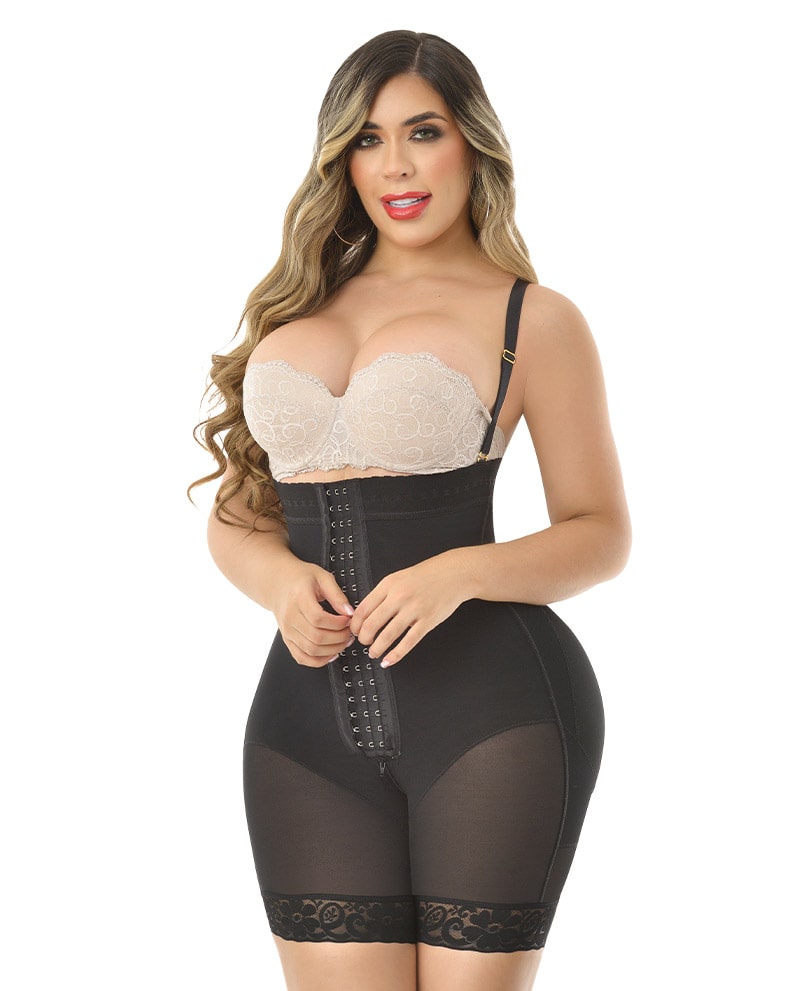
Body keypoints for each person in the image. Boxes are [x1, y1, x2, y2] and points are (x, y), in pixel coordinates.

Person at [191, 29, 631, 991]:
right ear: (340, 160)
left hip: (492, 715)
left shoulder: (533, 318)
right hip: (303, 727)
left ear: (472, 142)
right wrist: (278, 583)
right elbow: (238, 509)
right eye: (367, 138)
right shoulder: (294, 310)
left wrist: (458, 574)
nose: (394, 164)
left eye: (422, 132)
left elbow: (601, 532)